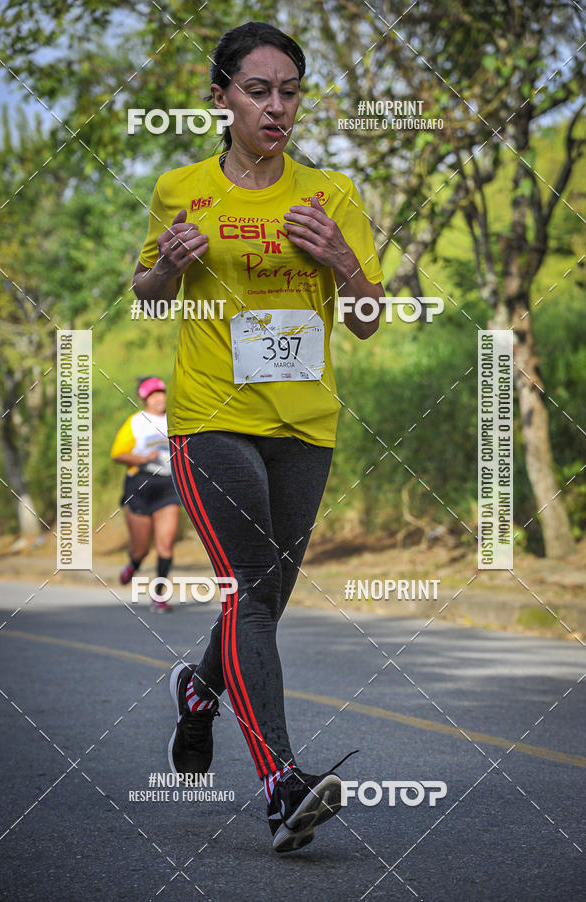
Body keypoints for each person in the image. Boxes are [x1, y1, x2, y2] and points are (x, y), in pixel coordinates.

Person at [132, 21, 384, 851]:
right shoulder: (181, 187)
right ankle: (282, 783)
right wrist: (166, 267)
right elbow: (148, 293)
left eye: (290, 92)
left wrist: (344, 259)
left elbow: (367, 319)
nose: (277, 107)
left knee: (265, 596)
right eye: (258, 90)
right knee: (251, 587)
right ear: (221, 97)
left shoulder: (332, 193)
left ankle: (198, 691)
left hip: (305, 425)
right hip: (213, 418)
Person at [111, 376, 181, 612]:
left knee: (166, 545)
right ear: (144, 400)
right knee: (142, 549)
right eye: (152, 395)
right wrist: (142, 458)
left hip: (168, 485)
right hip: (140, 485)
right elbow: (118, 453)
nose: (158, 398)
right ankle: (134, 563)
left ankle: (159, 595)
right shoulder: (136, 421)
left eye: (161, 393)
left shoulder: (176, 419)